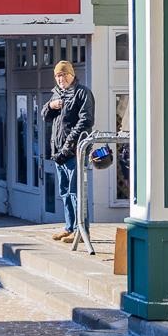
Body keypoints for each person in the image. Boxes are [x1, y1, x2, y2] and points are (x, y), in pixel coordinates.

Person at [42, 60, 94, 242]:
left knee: (76, 192)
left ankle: (81, 231)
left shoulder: (82, 93)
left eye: (63, 74)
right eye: (57, 75)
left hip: (74, 152)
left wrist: (68, 146)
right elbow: (44, 116)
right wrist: (50, 106)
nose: (60, 78)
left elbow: (86, 121)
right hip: (58, 152)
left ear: (71, 74)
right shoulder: (57, 94)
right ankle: (69, 227)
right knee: (64, 191)